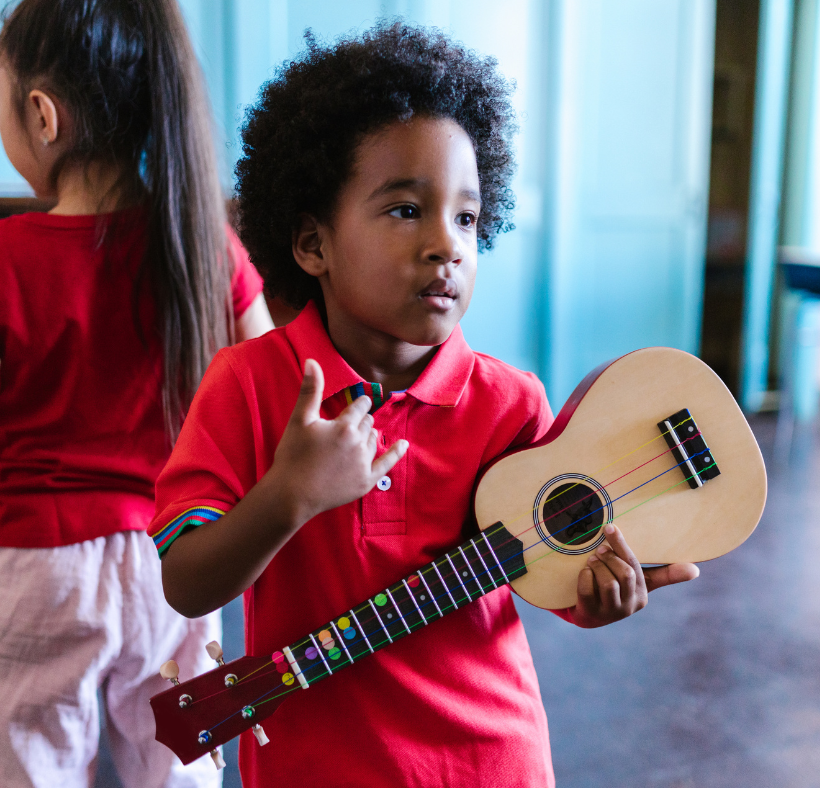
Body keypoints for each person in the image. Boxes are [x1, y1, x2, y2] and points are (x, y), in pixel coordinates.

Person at [150, 23, 698, 787]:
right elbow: (185, 582)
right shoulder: (246, 385)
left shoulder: (509, 402)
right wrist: (288, 496)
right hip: (319, 767)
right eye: (407, 210)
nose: (448, 244)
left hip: (489, 759)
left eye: (467, 218)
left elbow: (550, 562)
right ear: (312, 244)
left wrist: (594, 599)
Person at [0, 1, 273, 785]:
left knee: (29, 767)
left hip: (34, 566)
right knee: (178, 766)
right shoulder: (205, 243)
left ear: (42, 116)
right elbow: (268, 390)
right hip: (172, 559)